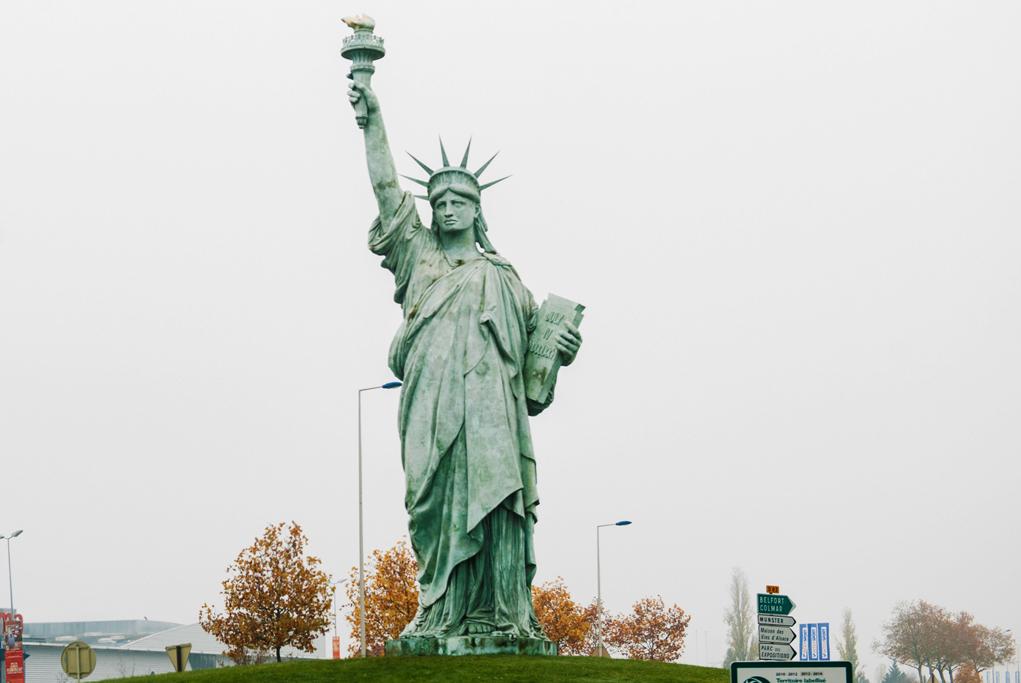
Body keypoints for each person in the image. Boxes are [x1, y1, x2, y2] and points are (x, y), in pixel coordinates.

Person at [347, 78, 582, 639]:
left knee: (498, 501)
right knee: (429, 504)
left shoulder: (504, 278)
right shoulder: (417, 255)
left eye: (461, 202)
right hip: (430, 405)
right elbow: (384, 187)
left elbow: (533, 367)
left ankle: (504, 614)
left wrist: (563, 352)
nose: (449, 209)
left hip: (492, 413)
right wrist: (372, 115)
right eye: (440, 202)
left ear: (479, 211)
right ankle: (439, 607)